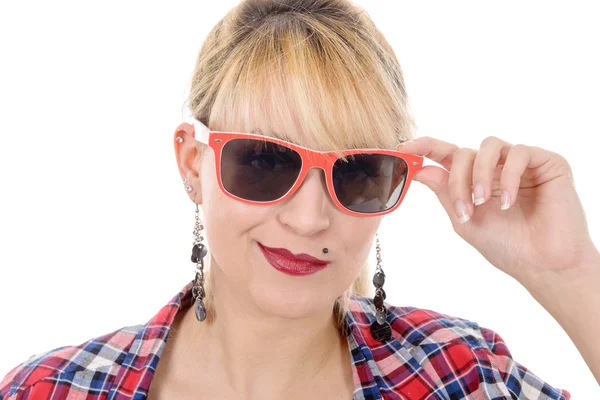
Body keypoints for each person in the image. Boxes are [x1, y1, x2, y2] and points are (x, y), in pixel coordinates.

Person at [1, 0, 598, 398]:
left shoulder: (459, 374)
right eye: (264, 161)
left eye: (357, 172)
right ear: (192, 162)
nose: (310, 218)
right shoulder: (52, 390)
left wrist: (568, 274)